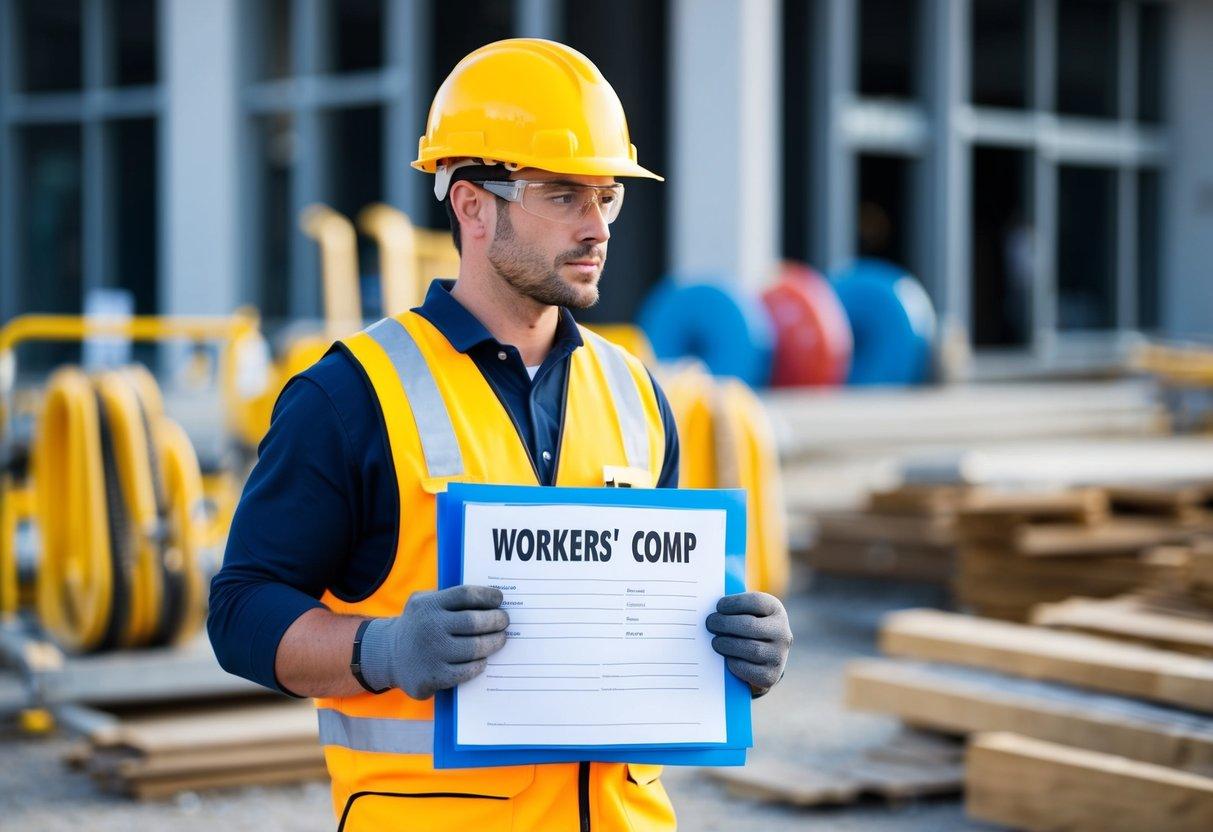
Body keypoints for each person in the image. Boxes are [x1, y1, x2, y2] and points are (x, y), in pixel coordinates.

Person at [208, 38, 791, 831]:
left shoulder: (637, 395)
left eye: (607, 196)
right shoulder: (349, 395)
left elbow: (659, 621)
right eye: (562, 195)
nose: (597, 228)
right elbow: (240, 611)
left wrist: (738, 646)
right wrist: (381, 650)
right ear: (472, 204)